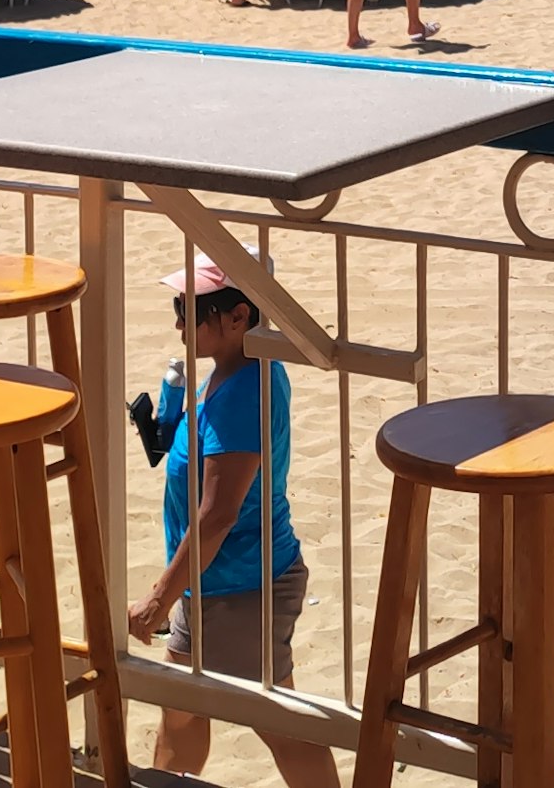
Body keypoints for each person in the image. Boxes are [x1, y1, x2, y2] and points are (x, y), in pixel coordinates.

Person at [130, 260, 336, 788]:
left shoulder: (247, 387)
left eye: (190, 311)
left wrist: (159, 598)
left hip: (243, 585)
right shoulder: (230, 370)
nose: (179, 324)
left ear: (238, 316)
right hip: (210, 580)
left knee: (280, 724)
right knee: (181, 708)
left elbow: (218, 514)